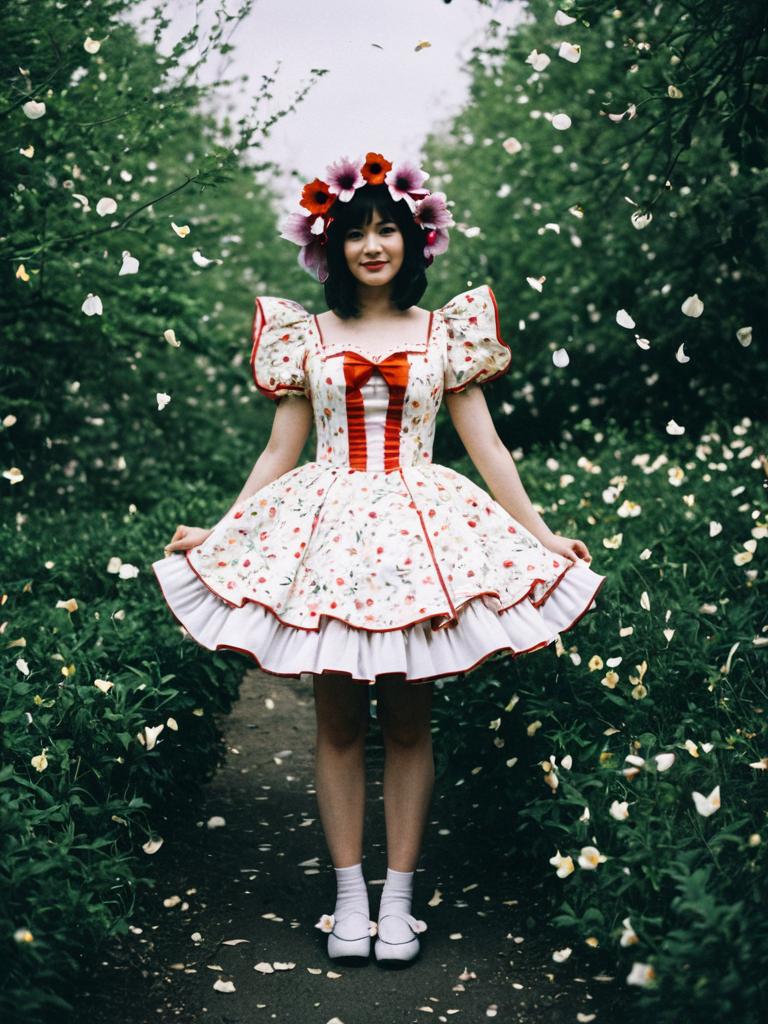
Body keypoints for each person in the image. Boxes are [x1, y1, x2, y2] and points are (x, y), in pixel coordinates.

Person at [152, 151, 606, 968]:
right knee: (333, 722)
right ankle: (349, 899)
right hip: (328, 530)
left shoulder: (444, 334)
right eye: (356, 231)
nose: (372, 245)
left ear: (413, 239)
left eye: (386, 229)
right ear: (332, 246)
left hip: (416, 533)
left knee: (405, 720)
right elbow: (279, 453)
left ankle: (398, 900)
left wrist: (540, 534)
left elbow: (488, 448)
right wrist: (219, 534)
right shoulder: (309, 336)